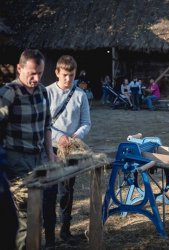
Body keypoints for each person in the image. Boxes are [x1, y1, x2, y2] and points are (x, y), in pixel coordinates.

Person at [0, 49, 55, 250]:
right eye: (31, 73)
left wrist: (50, 153)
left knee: (37, 210)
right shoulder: (8, 93)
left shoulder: (43, 91)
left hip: (38, 158)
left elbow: (47, 125)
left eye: (39, 73)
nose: (35, 78)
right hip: (16, 159)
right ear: (19, 68)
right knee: (25, 212)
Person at [43, 55, 91, 249]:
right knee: (50, 192)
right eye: (64, 75)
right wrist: (57, 138)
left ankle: (65, 231)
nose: (68, 79)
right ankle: (49, 237)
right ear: (57, 72)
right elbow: (43, 122)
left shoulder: (80, 95)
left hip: (70, 149)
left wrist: (75, 138)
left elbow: (86, 122)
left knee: (67, 192)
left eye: (71, 75)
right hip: (50, 148)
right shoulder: (46, 93)